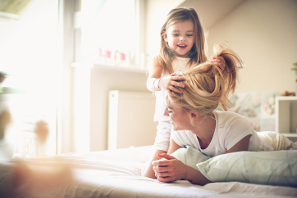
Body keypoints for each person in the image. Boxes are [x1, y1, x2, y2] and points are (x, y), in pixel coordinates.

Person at [151, 44, 297, 185]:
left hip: (275, 145)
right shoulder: (180, 133)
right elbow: (167, 164)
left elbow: (228, 175)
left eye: (169, 110)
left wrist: (187, 172)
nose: (165, 114)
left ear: (194, 114)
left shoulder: (235, 128)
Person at [142, 7, 226, 178]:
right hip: (169, 122)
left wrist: (218, 70)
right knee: (149, 175)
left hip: (194, 122)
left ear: (196, 37)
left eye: (189, 34)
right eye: (176, 34)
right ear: (165, 36)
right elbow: (150, 83)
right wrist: (162, 83)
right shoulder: (160, 60)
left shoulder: (200, 62)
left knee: (194, 162)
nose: (182, 39)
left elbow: (210, 88)